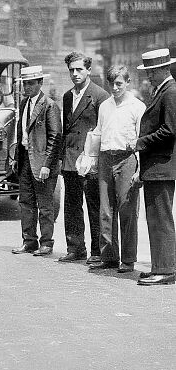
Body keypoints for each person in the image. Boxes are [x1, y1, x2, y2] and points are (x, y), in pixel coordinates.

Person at [85, 66, 145, 273]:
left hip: (126, 159)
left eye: (119, 83)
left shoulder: (137, 107)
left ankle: (128, 259)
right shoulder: (105, 106)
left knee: (127, 209)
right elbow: (98, 133)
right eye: (111, 83)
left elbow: (141, 141)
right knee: (105, 210)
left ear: (128, 82)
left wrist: (140, 169)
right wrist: (90, 159)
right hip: (105, 158)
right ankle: (109, 256)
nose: (115, 88)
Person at [58, 52, 109, 264]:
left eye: (79, 69)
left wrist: (96, 160)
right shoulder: (67, 96)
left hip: (90, 160)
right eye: (71, 70)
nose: (75, 74)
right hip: (71, 159)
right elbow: (66, 130)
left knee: (94, 206)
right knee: (71, 206)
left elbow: (102, 130)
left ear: (89, 70)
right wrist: (62, 158)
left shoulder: (100, 96)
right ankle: (76, 248)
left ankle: (97, 251)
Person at [134, 49, 176, 286]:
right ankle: (162, 265)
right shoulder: (162, 91)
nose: (148, 76)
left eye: (151, 72)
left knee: (160, 219)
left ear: (163, 69)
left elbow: (170, 130)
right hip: (157, 167)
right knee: (157, 218)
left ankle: (166, 269)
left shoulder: (170, 92)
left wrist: (140, 142)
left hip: (162, 166)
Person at [11, 65, 62, 257]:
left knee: (45, 205)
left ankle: (46, 243)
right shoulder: (25, 104)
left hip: (42, 164)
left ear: (40, 83)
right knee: (26, 202)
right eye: (25, 83)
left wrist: (47, 165)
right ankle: (29, 241)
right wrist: (17, 158)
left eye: (31, 83)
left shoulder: (49, 105)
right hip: (26, 161)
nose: (27, 87)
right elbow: (21, 133)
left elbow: (55, 137)